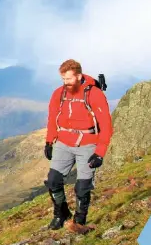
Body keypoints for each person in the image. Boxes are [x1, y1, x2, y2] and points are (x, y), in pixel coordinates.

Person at [44, 59, 113, 231]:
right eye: (63, 80)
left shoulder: (94, 94)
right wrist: (49, 141)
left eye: (68, 79)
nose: (65, 83)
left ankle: (79, 221)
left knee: (82, 187)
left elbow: (106, 124)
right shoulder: (58, 94)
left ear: (79, 76)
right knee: (53, 181)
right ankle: (61, 213)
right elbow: (52, 118)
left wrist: (100, 152)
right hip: (63, 141)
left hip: (88, 144)